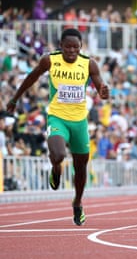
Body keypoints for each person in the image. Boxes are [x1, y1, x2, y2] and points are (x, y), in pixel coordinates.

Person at [5, 28, 109, 226]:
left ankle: (77, 203)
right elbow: (31, 78)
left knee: (81, 167)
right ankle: (56, 168)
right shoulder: (49, 60)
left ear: (81, 47)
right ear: (60, 46)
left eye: (76, 47)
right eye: (68, 47)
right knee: (59, 154)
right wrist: (15, 98)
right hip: (57, 118)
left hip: (79, 121)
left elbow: (100, 87)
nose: (71, 51)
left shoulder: (88, 64)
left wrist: (103, 92)